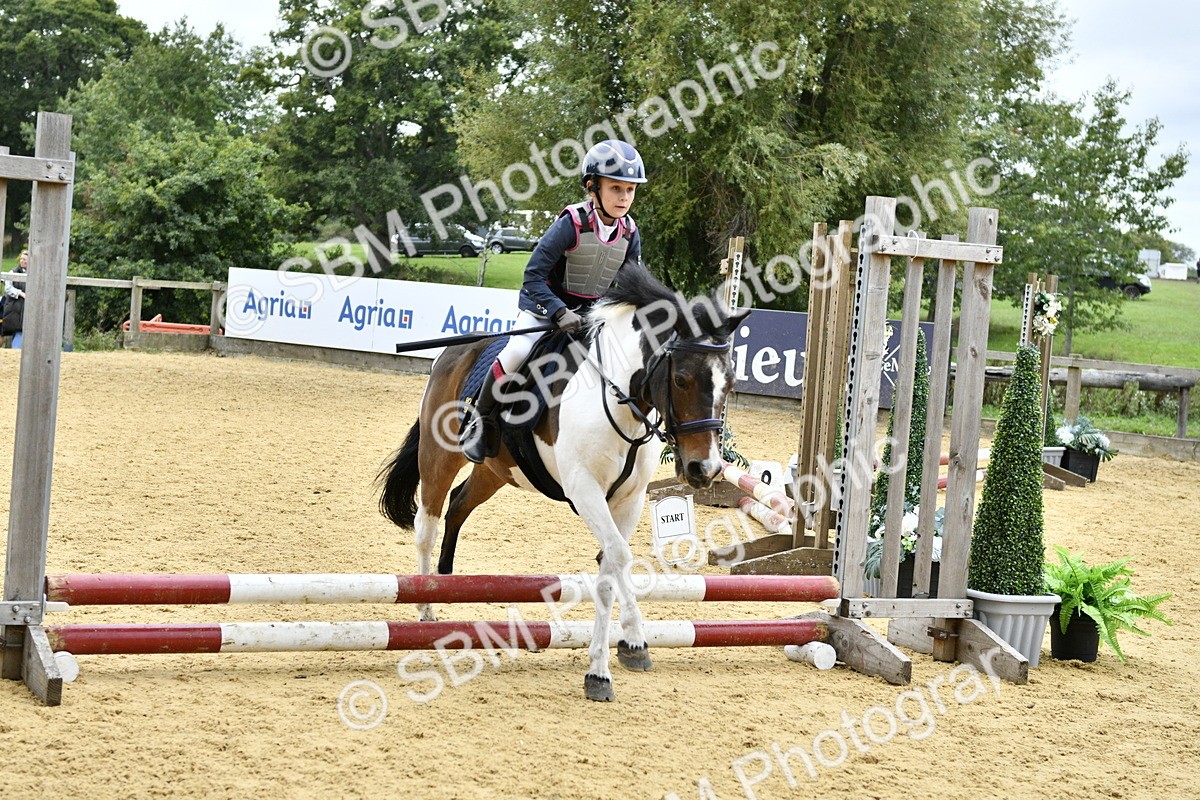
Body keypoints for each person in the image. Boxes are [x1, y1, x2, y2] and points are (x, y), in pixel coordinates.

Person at [460, 139, 647, 463]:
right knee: (517, 352)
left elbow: (633, 285)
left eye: (630, 190)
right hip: (544, 307)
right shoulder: (571, 223)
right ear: (593, 186)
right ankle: (480, 422)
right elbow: (533, 274)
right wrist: (559, 312)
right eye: (616, 188)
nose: (624, 198)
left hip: (590, 315)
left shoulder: (630, 232)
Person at [2, 250, 28, 349]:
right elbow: (8, 288)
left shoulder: (36, 272)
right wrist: (21, 293)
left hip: (26, 307)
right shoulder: (13, 272)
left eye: (25, 259)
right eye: (21, 259)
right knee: (18, 330)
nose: (22, 261)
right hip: (15, 307)